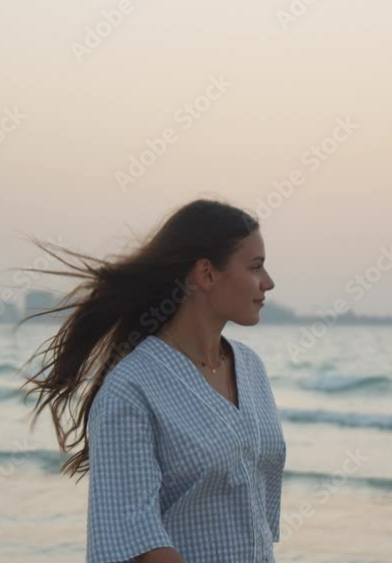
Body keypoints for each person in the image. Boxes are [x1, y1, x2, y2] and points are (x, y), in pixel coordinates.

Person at [18, 198, 285, 562]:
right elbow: (135, 538)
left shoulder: (250, 368)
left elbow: (255, 521)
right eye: (255, 267)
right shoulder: (131, 390)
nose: (268, 282)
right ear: (206, 274)